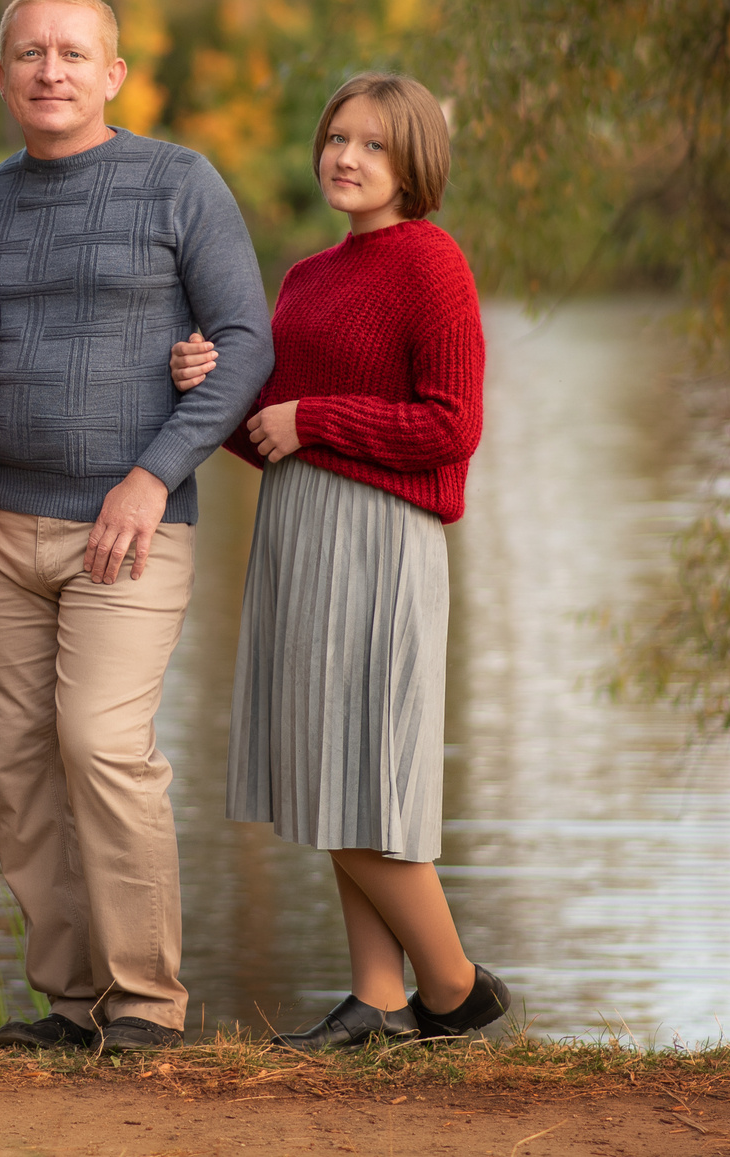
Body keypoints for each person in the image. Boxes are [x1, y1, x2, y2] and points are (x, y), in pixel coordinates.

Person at [0, 0, 275, 1054]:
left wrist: (154, 473)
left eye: (72, 52)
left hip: (129, 524)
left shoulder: (177, 181)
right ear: (2, 74)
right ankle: (69, 999)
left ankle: (146, 1001)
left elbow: (243, 342)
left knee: (100, 743)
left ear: (112, 74)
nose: (50, 69)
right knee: (22, 763)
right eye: (29, 52)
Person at [170, 71, 511, 1049]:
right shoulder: (307, 278)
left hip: (381, 537)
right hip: (296, 531)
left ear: (413, 163)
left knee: (368, 773)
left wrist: (307, 414)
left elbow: (451, 427)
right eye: (335, 138)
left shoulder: (430, 262)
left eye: (371, 143)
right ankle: (378, 998)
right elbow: (268, 437)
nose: (345, 157)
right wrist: (215, 391)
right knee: (327, 770)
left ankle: (452, 989)